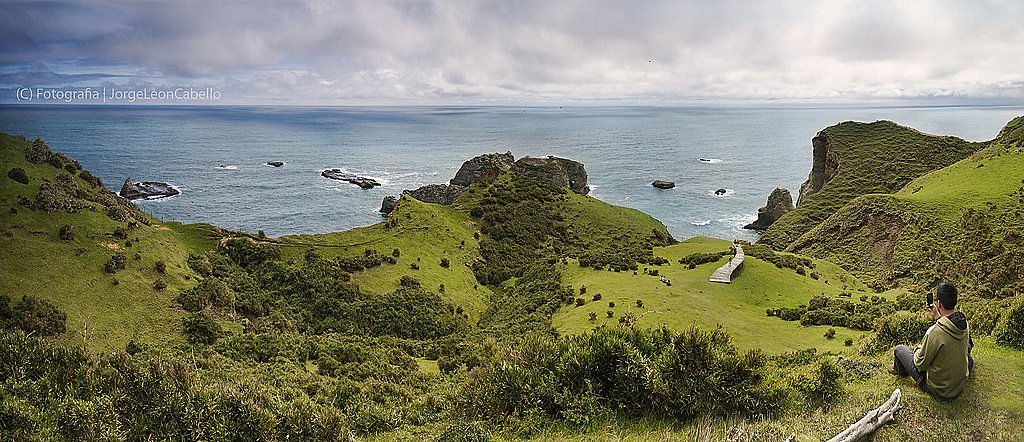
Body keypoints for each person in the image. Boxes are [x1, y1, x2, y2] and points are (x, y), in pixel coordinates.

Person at [889, 282, 974, 400]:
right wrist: (937, 317)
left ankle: (898, 370)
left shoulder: (934, 332)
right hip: (958, 385)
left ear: (939, 303)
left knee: (899, 349)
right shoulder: (964, 324)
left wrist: (918, 349)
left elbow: (920, 365)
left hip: (940, 391)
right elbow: (948, 330)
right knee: (968, 358)